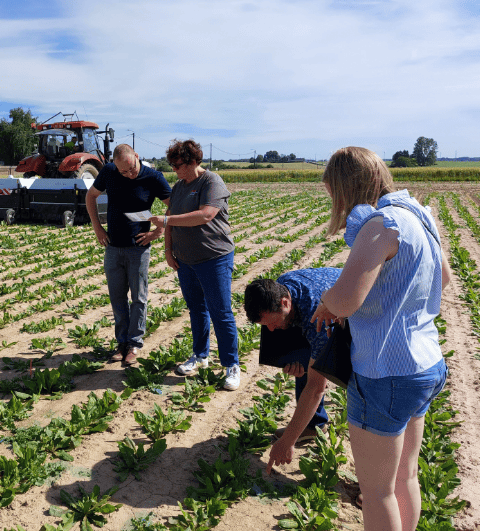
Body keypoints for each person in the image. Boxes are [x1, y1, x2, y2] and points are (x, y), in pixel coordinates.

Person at [310, 147, 450, 531]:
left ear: (345, 189)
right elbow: (444, 280)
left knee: (376, 493)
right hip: (425, 365)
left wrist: (326, 301)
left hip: (384, 372)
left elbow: (345, 299)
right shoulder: (419, 215)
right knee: (406, 478)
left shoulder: (380, 225)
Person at [149, 139, 240, 391]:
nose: (174, 169)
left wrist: (167, 220)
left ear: (192, 161)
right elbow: (170, 222)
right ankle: (200, 356)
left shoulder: (212, 182)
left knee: (221, 312)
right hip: (186, 260)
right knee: (196, 309)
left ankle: (231, 365)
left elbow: (206, 214)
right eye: (172, 165)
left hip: (214, 258)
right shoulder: (179, 187)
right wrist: (168, 250)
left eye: (177, 165)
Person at [243, 269, 341, 470]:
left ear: (285, 303)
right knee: (304, 363)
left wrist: (286, 442)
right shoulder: (280, 286)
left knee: (332, 373)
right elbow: (288, 327)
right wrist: (296, 358)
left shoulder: (318, 320)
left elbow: (316, 389)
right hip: (314, 304)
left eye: (272, 322)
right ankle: (313, 425)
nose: (270, 330)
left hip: (360, 309)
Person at [86, 144, 172, 366]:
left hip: (138, 248)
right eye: (123, 172)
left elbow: (173, 206)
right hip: (113, 246)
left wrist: (158, 231)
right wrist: (97, 227)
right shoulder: (109, 172)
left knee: (139, 298)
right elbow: (91, 196)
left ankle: (134, 343)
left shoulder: (153, 177)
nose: (128, 174)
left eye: (131, 169)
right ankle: (121, 343)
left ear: (137, 156)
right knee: (117, 298)